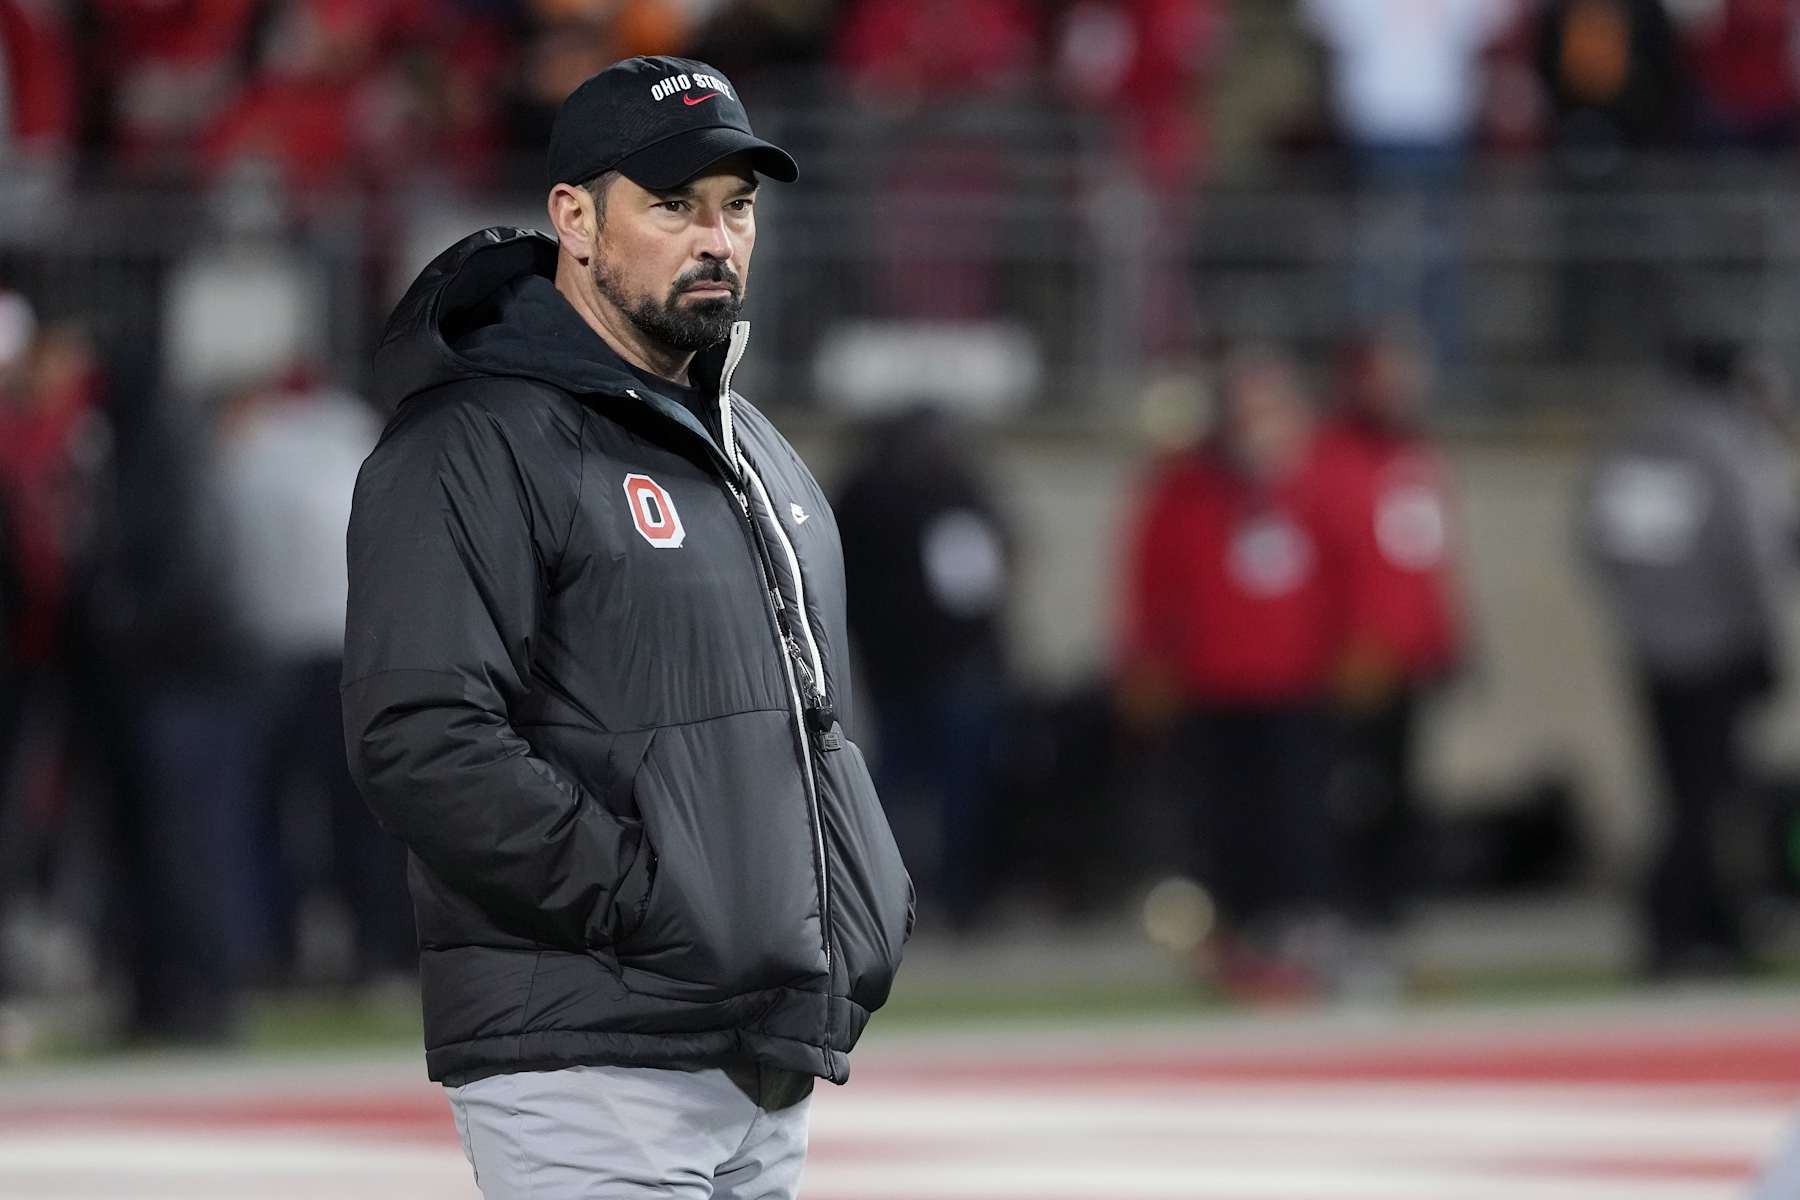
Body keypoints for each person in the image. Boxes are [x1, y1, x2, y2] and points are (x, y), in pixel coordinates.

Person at [341, 56, 913, 1200]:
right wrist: (652, 900)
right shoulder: (474, 441)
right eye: (672, 205)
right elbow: (423, 736)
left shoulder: (750, 445)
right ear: (574, 219)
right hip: (586, 1058)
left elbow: (808, 726)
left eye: (736, 208)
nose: (718, 239)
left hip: (758, 1053)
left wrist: (856, 906)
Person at [1118, 349, 1343, 1001]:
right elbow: (1153, 580)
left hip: (1298, 682)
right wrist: (1148, 661)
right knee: (1221, 821)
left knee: (1298, 815)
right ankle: (1234, 942)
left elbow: (1344, 571)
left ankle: (1299, 931)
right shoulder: (1185, 490)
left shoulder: (1315, 482)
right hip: (1210, 685)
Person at [1579, 341, 1797, 979]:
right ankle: (1699, 929)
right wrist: (1762, 640)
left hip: (1653, 649)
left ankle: (1681, 928)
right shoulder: (1724, 439)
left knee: (1680, 796)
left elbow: (1600, 542)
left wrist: (1646, 617)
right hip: (1719, 649)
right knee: (1712, 798)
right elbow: (1752, 549)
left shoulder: (1634, 442)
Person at [1312, 329, 1465, 980]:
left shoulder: (1415, 457)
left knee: (1403, 786)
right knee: (1352, 789)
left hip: (1411, 655)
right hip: (1353, 659)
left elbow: (1428, 559)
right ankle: (1347, 904)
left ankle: (1393, 903)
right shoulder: (1328, 459)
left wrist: (1448, 636)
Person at [834, 403, 1012, 931]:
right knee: (937, 788)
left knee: (906, 788)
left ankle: (902, 896)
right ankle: (942, 897)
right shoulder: (946, 490)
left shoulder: (865, 491)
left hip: (907, 667)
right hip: (939, 668)